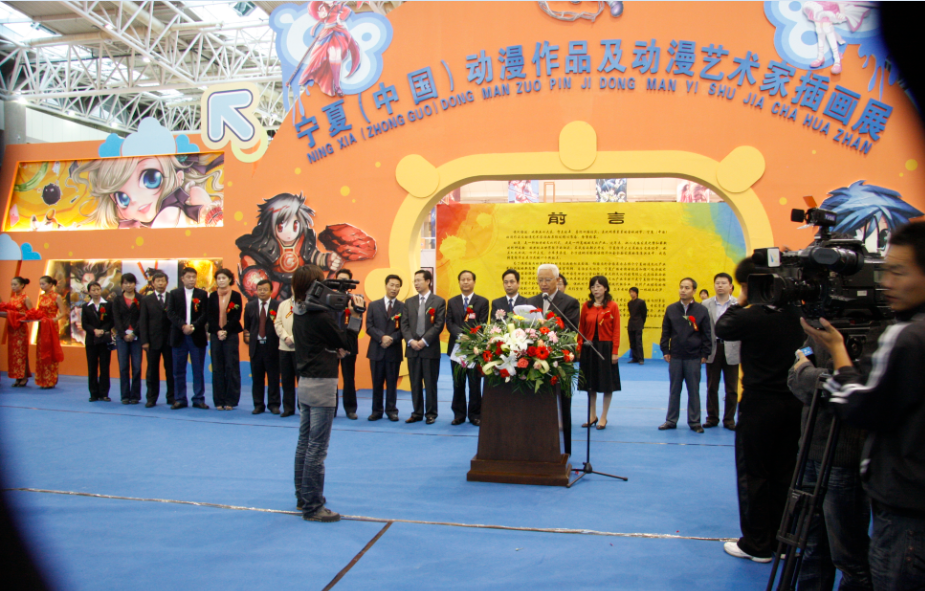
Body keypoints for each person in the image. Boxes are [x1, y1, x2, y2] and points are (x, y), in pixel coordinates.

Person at [806, 221, 925, 590]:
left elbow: (861, 407)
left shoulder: (906, 335)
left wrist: (837, 354)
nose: (886, 283)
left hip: (905, 509)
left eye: (898, 271)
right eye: (884, 270)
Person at [716, 258, 805, 564]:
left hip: (759, 405)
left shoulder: (752, 316)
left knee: (754, 474)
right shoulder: (797, 314)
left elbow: (722, 326)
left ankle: (756, 544)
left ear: (749, 286)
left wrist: (742, 300)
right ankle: (782, 539)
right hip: (794, 403)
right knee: (784, 473)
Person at [789, 336, 873, 590]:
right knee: (809, 547)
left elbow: (855, 388)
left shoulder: (872, 332)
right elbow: (794, 379)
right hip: (810, 449)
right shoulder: (817, 334)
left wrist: (808, 372)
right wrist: (820, 379)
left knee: (849, 555)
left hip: (846, 456)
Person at [291, 264, 360, 522]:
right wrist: (356, 316)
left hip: (306, 382)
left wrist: (333, 350)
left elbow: (325, 344)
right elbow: (347, 342)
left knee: (304, 443)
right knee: (317, 449)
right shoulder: (319, 316)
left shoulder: (300, 311)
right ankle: (313, 506)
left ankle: (303, 496)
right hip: (321, 385)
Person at [528, 264, 580, 455]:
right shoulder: (531, 301)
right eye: (540, 280)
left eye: (548, 280)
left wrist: (545, 330)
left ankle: (566, 449)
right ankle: (535, 446)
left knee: (564, 404)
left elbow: (570, 329)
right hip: (536, 360)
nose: (543, 283)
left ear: (557, 280)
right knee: (536, 405)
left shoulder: (570, 302)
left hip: (561, 360)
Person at [658, 277, 711, 433]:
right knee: (674, 390)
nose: (683, 290)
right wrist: (665, 350)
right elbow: (665, 332)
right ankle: (671, 420)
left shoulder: (701, 310)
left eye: (687, 288)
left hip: (694, 356)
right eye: (681, 287)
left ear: (694, 291)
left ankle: (694, 421)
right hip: (675, 356)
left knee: (693, 390)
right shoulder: (671, 309)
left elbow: (706, 333)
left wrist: (705, 353)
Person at [400, 269, 446, 424]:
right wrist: (411, 341)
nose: (416, 283)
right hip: (412, 349)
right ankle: (417, 412)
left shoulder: (438, 301)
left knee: (430, 383)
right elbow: (404, 325)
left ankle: (431, 413)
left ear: (428, 281)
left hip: (430, 349)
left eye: (419, 280)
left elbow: (438, 325)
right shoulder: (409, 302)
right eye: (415, 281)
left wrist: (424, 341)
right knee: (415, 383)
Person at [577, 275, 621, 430]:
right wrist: (579, 347)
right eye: (593, 287)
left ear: (605, 288)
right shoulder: (586, 306)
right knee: (590, 384)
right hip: (589, 348)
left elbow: (616, 330)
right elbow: (581, 328)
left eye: (598, 286)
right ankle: (592, 415)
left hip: (606, 348)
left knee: (607, 384)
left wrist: (615, 351)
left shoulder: (612, 306)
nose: (595, 289)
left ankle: (603, 417)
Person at [446, 270, 489, 426]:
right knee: (458, 382)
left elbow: (482, 323)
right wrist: (460, 335)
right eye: (462, 279)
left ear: (474, 282)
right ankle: (459, 414)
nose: (465, 282)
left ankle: (475, 414)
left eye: (468, 279)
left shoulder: (482, 302)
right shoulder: (452, 301)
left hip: (474, 348)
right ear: (459, 282)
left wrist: (469, 337)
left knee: (474, 383)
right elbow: (449, 322)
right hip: (456, 348)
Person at [166, 266, 209, 410]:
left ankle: (198, 398)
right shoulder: (174, 294)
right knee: (178, 370)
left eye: (193, 277)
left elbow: (205, 314)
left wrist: (193, 326)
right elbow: (170, 313)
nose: (191, 279)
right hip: (179, 336)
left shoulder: (202, 294)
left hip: (197, 336)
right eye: (188, 277)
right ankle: (180, 399)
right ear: (182, 279)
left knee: (198, 370)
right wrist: (183, 326)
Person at [703, 273, 741, 430]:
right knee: (712, 386)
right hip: (713, 347)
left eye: (723, 283)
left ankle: (729, 419)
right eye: (717, 283)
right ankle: (712, 417)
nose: (720, 285)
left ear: (730, 286)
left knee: (731, 388)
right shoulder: (706, 304)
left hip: (732, 347)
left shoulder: (738, 304)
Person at [365, 274, 405, 421]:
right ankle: (376, 411)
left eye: (397, 286)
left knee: (392, 383)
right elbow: (369, 327)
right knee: (377, 383)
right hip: (376, 350)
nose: (394, 288)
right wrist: (382, 337)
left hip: (393, 350)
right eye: (391, 285)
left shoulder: (403, 307)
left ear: (400, 289)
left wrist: (392, 338)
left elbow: (404, 329)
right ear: (386, 285)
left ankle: (392, 410)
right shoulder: (373, 305)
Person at [207, 269, 244, 411]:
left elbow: (236, 316)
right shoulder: (212, 296)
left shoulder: (236, 296)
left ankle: (231, 400)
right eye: (218, 278)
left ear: (230, 279)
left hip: (231, 334)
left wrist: (226, 330)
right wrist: (218, 330)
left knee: (231, 367)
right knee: (217, 368)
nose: (221, 280)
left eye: (224, 278)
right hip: (216, 335)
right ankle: (219, 400)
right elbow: (210, 316)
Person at [138, 271, 175, 407]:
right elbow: (143, 322)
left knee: (171, 370)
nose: (160, 283)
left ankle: (172, 397)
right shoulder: (146, 300)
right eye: (157, 281)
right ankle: (151, 398)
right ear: (153, 283)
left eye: (162, 281)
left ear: (167, 283)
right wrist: (144, 341)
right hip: (152, 341)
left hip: (170, 340)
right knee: (152, 371)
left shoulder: (172, 298)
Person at [244, 280, 281, 414]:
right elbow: (247, 326)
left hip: (272, 347)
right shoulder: (250, 306)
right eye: (260, 289)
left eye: (265, 289)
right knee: (257, 378)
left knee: (273, 378)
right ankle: (258, 404)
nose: (262, 292)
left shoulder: (278, 305)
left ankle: (274, 404)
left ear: (271, 291)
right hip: (256, 347)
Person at [334, 268, 361, 420]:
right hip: (331, 345)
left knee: (349, 378)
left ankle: (350, 409)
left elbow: (358, 323)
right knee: (332, 379)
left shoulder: (355, 299)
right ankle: (331, 408)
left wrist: (346, 343)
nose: (342, 283)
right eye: (339, 280)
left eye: (345, 280)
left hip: (349, 345)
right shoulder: (328, 298)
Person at [112, 273, 143, 404]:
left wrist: (134, 333)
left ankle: (135, 395)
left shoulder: (141, 298)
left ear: (135, 284)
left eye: (131, 282)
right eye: (125, 283)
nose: (128, 285)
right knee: (123, 367)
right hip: (122, 337)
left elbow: (142, 318)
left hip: (137, 337)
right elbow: (116, 318)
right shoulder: (117, 300)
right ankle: (125, 396)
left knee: (137, 367)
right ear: (121, 285)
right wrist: (123, 334)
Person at [82, 281, 113, 402]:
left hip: (104, 339)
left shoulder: (108, 304)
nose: (96, 292)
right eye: (93, 290)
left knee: (105, 366)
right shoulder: (86, 306)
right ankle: (93, 393)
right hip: (91, 340)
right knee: (92, 367)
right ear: (89, 292)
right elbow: (84, 324)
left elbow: (112, 321)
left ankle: (104, 393)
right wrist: (94, 330)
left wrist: (103, 330)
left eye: (98, 289)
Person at [34, 276, 66, 389]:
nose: (41, 286)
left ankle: (50, 380)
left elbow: (62, 312)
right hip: (42, 326)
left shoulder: (57, 296)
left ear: (50, 284)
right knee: (41, 351)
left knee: (51, 350)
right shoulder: (41, 296)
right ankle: (41, 379)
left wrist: (54, 320)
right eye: (40, 284)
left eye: (43, 284)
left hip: (51, 326)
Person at [274, 292, 298, 418]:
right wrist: (285, 337)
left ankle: (303, 407)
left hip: (299, 349)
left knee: (302, 381)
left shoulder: (306, 304)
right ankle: (288, 408)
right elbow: (277, 323)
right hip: (284, 347)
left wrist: (293, 339)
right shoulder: (283, 304)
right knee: (286, 380)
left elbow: (305, 325)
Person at [5, 277, 33, 387]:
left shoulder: (26, 298)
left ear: (22, 285)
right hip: (12, 328)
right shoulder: (12, 298)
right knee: (14, 353)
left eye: (15, 284)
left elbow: (31, 314)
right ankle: (17, 376)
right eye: (12, 285)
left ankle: (23, 377)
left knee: (21, 353)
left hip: (21, 328)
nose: (13, 287)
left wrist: (19, 315)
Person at [626, 287, 647, 364]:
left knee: (638, 342)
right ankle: (635, 358)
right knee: (632, 342)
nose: (631, 294)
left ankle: (641, 359)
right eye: (630, 292)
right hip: (631, 324)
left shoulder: (641, 302)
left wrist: (641, 323)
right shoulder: (629, 303)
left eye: (633, 292)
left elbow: (644, 314)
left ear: (636, 293)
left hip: (638, 324)